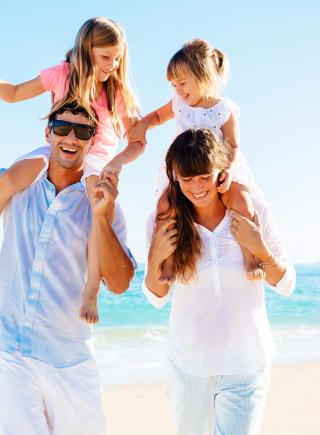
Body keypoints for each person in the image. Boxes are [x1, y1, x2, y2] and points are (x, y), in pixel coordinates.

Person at [0, 64, 136, 435]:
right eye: (62, 128)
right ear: (48, 133)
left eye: (82, 131)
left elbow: (121, 283)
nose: (70, 137)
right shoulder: (16, 183)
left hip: (69, 361)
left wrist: (102, 215)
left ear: (93, 141)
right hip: (11, 351)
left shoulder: (101, 199)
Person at [0, 17, 143, 324]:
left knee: (99, 213)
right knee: (8, 179)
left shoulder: (116, 93)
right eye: (106, 57)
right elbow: (15, 93)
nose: (112, 64)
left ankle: (90, 291)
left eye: (117, 58)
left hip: (96, 160)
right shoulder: (62, 74)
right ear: (87, 50)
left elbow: (138, 141)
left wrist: (117, 162)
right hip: (56, 151)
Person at [142, 128, 296, 435]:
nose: (196, 187)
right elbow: (157, 297)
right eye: (187, 179)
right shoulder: (164, 222)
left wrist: (260, 248)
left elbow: (286, 283)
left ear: (221, 173)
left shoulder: (254, 211)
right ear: (174, 177)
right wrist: (155, 258)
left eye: (204, 177)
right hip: (188, 369)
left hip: (246, 365)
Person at [111, 38, 263, 284]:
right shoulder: (179, 103)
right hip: (183, 172)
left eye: (182, 83)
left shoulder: (224, 109)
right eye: (173, 85)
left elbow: (233, 145)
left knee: (241, 202)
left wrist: (229, 171)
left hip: (216, 171)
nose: (178, 90)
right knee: (165, 207)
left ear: (203, 75)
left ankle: (250, 257)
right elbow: (158, 116)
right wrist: (144, 126)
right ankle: (168, 261)